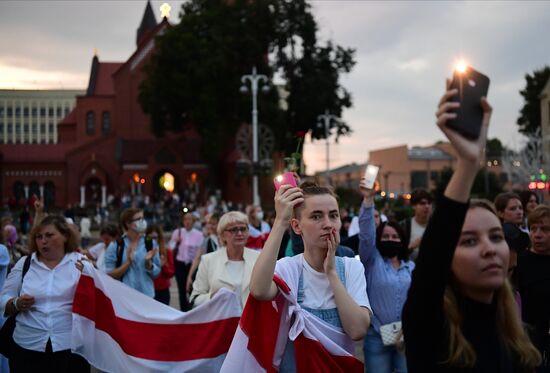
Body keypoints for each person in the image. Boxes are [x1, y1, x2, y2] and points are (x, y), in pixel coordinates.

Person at [403, 81, 540, 372]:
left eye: (495, 236)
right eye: (469, 241)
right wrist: (468, 163)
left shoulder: (520, 345)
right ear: (445, 260)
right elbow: (434, 253)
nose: (489, 249)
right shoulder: (428, 329)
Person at [250, 181, 371, 370]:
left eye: (333, 215)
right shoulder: (289, 268)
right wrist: (280, 222)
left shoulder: (351, 267)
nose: (328, 224)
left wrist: (331, 272)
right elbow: (258, 290)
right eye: (316, 216)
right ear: (297, 227)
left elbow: (357, 330)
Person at [0, 215, 90, 372]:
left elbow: (97, 302)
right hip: (27, 347)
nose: (43, 241)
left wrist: (89, 280)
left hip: (70, 349)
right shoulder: (25, 264)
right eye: (39, 237)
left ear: (65, 236)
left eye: (49, 235)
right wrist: (16, 303)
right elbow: (3, 299)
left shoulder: (81, 263)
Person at [359, 183, 413, 373]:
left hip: (406, 337)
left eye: (395, 236)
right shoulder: (372, 261)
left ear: (402, 240)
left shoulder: (411, 268)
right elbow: (366, 235)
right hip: (376, 336)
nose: (390, 240)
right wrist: (368, 200)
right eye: (386, 236)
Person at [190, 211, 259, 310]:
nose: (239, 233)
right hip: (221, 321)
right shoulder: (208, 260)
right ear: (222, 235)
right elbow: (194, 298)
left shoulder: (258, 258)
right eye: (233, 230)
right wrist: (213, 297)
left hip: (250, 322)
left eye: (243, 229)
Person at [517, 205, 550, 372]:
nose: (537, 235)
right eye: (533, 228)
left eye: (544, 229)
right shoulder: (520, 263)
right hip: (530, 343)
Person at [104, 208, 160, 298]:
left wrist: (148, 264)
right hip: (125, 298)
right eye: (138, 219)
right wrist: (128, 263)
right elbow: (109, 274)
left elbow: (157, 273)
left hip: (147, 297)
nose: (142, 222)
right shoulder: (116, 245)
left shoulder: (150, 242)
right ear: (128, 223)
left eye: (143, 218)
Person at [169, 212, 203, 311]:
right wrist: (176, 242)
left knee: (192, 288)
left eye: (189, 219)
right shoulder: (177, 232)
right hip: (180, 263)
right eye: (185, 219)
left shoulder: (198, 234)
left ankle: (192, 309)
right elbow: (170, 248)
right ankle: (183, 311)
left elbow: (199, 252)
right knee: (181, 288)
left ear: (193, 221)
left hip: (192, 264)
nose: (187, 222)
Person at [186, 213, 220, 293]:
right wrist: (189, 276)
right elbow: (197, 258)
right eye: (207, 224)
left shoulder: (226, 239)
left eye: (213, 224)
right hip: (210, 277)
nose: (209, 226)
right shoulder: (206, 240)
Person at [147, 224, 175, 305]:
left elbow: (171, 273)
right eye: (150, 238)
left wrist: (163, 266)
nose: (153, 240)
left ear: (159, 238)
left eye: (155, 237)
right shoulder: (142, 252)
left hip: (162, 289)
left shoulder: (166, 251)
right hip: (147, 289)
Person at [401, 189, 432, 261]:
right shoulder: (405, 226)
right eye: (422, 203)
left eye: (429, 203)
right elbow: (397, 255)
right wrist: (412, 246)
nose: (427, 206)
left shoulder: (438, 226)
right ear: (413, 206)